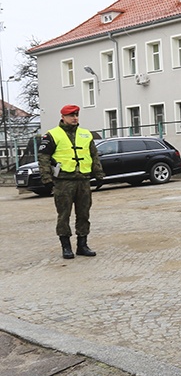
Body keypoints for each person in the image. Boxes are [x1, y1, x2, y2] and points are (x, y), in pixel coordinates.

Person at [38, 104, 105, 259]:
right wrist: (46, 178)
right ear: (63, 117)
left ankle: (82, 245)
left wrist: (99, 174)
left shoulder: (86, 134)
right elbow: (43, 158)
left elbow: (94, 155)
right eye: (71, 115)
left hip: (83, 180)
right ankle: (66, 247)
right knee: (64, 215)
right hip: (63, 181)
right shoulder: (52, 135)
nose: (74, 118)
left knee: (83, 214)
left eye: (76, 115)